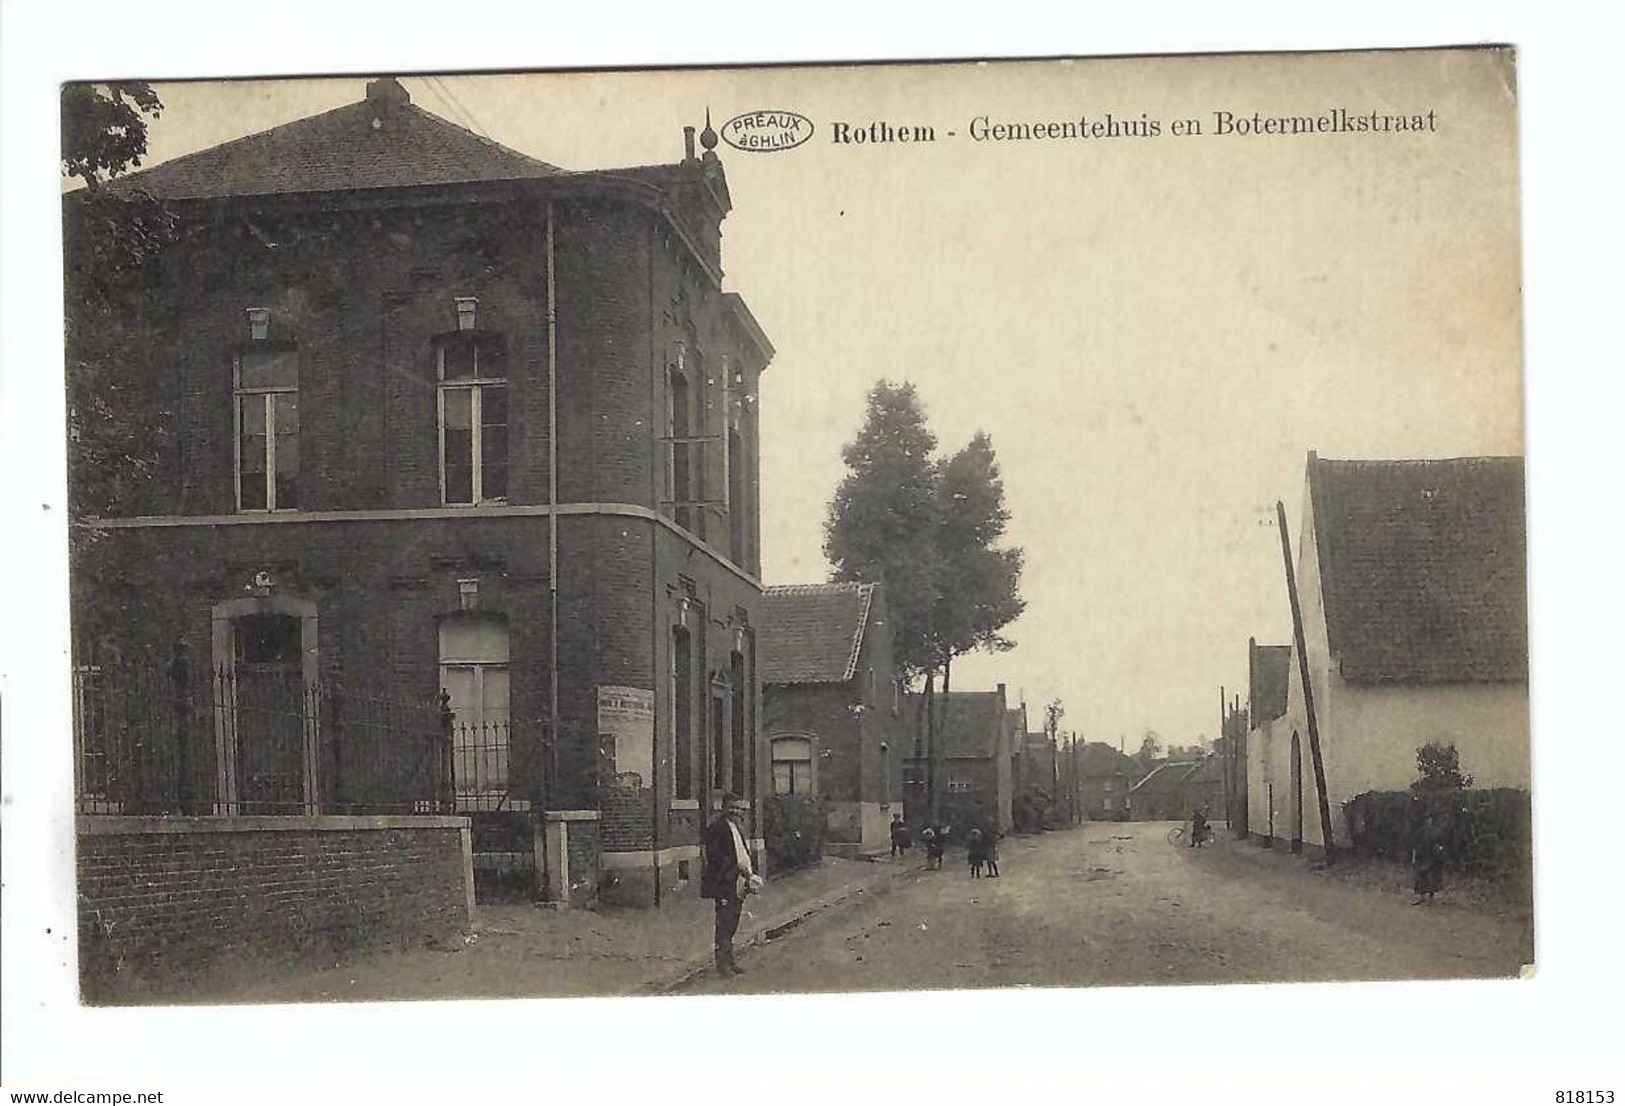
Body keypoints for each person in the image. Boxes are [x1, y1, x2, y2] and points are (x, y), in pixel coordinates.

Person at [700, 794, 759, 975]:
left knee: (733, 922)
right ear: (724, 808)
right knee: (724, 923)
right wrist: (736, 869)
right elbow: (716, 857)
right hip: (725, 882)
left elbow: (740, 852)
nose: (736, 812)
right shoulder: (716, 829)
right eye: (732, 808)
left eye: (739, 808)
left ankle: (730, 961)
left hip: (738, 882)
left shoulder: (736, 828)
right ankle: (723, 965)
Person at [1411, 810, 1445, 906]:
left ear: (1432, 820)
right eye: (1427, 819)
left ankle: (1431, 899)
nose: (1428, 821)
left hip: (1433, 859)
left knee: (1432, 879)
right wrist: (1413, 858)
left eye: (1430, 819)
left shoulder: (1437, 832)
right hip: (1421, 857)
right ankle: (1422, 897)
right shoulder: (1420, 832)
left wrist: (1439, 851)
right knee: (1420, 878)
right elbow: (1415, 845)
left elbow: (1441, 845)